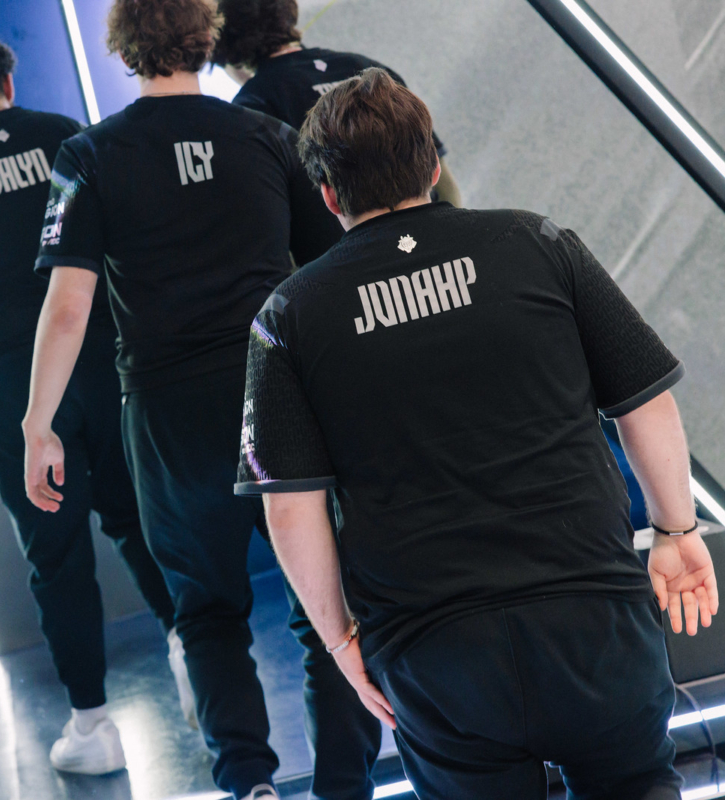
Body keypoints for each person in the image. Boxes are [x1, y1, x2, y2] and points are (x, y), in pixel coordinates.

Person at [238, 68, 719, 799]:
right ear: (433, 165)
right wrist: (676, 531)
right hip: (593, 618)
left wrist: (339, 640)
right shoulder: (539, 242)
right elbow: (644, 401)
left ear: (328, 195)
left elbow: (289, 505)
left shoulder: (287, 316)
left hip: (434, 651)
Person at [22, 2, 379, 798]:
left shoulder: (88, 155)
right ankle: (343, 785)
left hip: (167, 414)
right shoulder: (266, 137)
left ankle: (248, 783)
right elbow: (335, 268)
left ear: (122, 49)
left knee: (206, 611)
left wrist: (38, 422)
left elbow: (69, 306)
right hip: (278, 391)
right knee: (323, 600)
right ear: (206, 38)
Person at [0, 34, 182, 776]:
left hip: (17, 385)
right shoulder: (64, 136)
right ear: (9, 82)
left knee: (57, 559)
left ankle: (91, 726)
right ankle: (191, 654)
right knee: (139, 520)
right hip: (105, 358)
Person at [212, 0, 461, 207]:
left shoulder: (251, 105)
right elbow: (442, 179)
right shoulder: (369, 70)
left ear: (227, 53)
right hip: (424, 228)